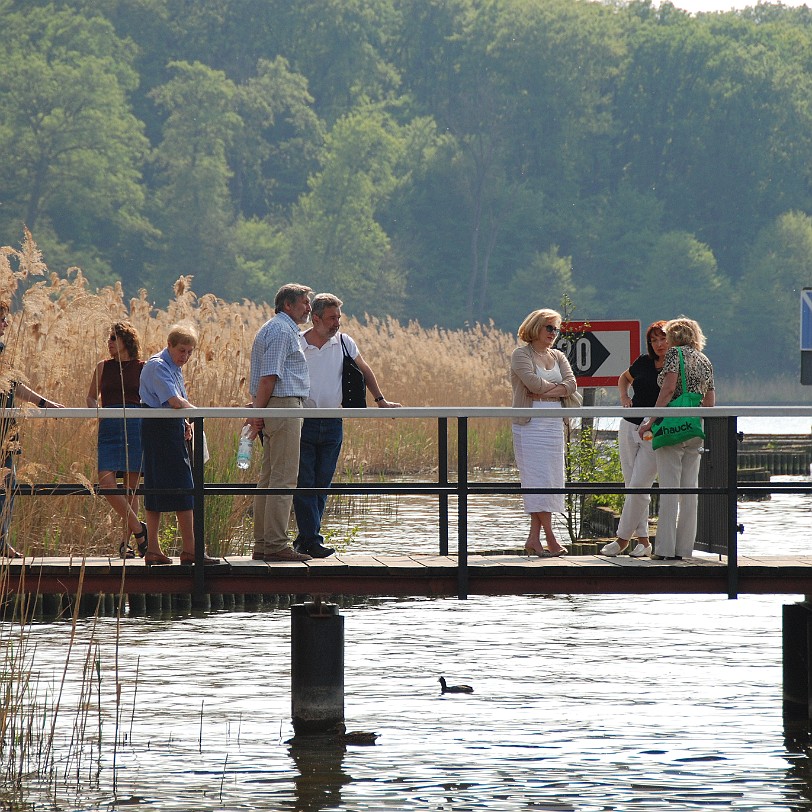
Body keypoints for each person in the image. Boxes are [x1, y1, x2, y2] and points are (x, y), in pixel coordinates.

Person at [293, 293, 401, 558]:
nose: (336, 323)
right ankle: (311, 540)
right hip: (302, 422)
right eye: (331, 318)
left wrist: (381, 400)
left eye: (338, 318)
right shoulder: (297, 344)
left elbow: (364, 369)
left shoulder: (344, 342)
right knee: (305, 483)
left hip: (332, 422)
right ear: (316, 318)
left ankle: (306, 539)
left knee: (322, 483)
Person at [139, 323, 218, 566]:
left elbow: (176, 403)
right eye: (182, 350)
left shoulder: (173, 367)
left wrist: (185, 421)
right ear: (169, 345)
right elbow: (173, 400)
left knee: (162, 486)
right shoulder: (158, 366)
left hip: (168, 427)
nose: (185, 356)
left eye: (190, 352)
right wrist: (197, 414)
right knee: (182, 486)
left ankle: (157, 549)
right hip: (158, 429)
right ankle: (189, 549)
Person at [638, 317, 715, 560]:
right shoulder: (705, 361)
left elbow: (668, 389)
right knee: (689, 491)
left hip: (672, 428)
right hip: (694, 428)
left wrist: (651, 419)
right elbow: (710, 401)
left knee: (670, 490)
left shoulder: (673, 355)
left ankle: (664, 550)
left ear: (673, 336)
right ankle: (685, 549)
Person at [247, 284, 314, 562]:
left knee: (269, 478)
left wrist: (259, 409)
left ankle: (264, 542)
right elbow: (269, 377)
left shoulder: (274, 328)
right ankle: (275, 544)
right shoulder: (282, 331)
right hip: (284, 406)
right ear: (288, 305)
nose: (309, 307)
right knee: (284, 477)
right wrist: (257, 413)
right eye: (304, 302)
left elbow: (265, 378)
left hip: (276, 406)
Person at [0, 298, 65, 558]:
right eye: (2, 318)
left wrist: (44, 403)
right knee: (6, 484)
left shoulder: (3, 349)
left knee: (8, 484)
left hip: (6, 428)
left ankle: (2, 540)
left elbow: (13, 384)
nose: (6, 323)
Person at [510, 309, 577, 557]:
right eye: (549, 328)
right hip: (530, 425)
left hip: (553, 424)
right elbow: (532, 383)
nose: (553, 333)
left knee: (550, 480)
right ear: (536, 327)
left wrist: (546, 394)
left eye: (556, 329)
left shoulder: (558, 356)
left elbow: (572, 385)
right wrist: (556, 390)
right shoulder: (521, 355)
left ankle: (533, 540)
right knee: (535, 480)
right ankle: (550, 538)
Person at [600, 321, 668, 558]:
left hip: (655, 428)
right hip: (629, 423)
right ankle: (644, 541)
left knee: (640, 485)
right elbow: (624, 377)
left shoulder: (674, 366)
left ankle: (621, 540)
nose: (659, 344)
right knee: (632, 485)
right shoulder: (643, 361)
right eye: (654, 340)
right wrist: (623, 396)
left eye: (663, 338)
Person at [86, 321, 148, 559]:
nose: (109, 342)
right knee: (107, 483)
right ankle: (140, 530)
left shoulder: (142, 367)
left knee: (131, 490)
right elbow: (91, 397)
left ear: (126, 340)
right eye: (109, 338)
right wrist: (98, 414)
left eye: (113, 338)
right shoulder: (102, 367)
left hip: (134, 426)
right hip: (109, 427)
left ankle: (125, 544)